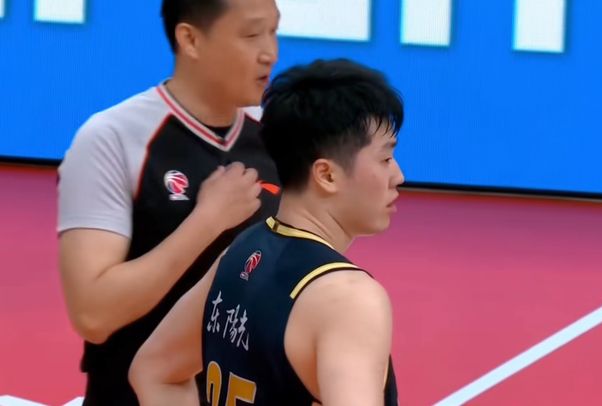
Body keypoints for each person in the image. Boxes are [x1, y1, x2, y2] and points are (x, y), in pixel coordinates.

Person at [129, 58, 405, 406]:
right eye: (385, 159)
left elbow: (154, 370)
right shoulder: (349, 300)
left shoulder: (239, 252)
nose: (398, 175)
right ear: (327, 175)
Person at [56, 0, 281, 404]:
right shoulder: (111, 139)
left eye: (273, 31)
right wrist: (206, 221)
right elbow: (93, 314)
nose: (270, 52)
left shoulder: (278, 138)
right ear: (190, 39)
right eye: (251, 34)